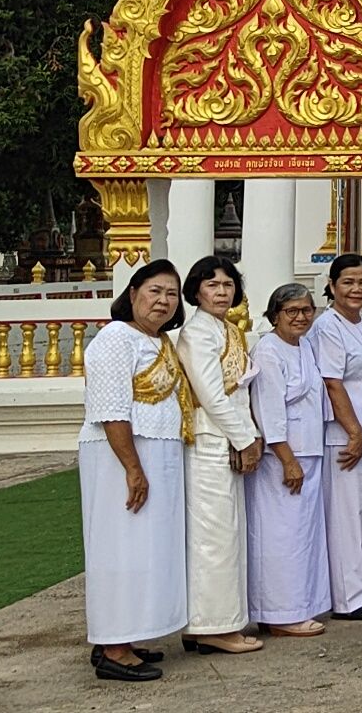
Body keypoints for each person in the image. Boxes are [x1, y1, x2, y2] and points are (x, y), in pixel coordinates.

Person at [80, 260, 188, 682]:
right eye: (154, 291)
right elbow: (110, 410)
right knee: (120, 549)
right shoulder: (114, 339)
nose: (162, 301)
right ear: (133, 293)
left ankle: (126, 634)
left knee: (144, 550)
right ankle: (113, 648)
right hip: (121, 458)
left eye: (171, 294)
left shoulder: (160, 341)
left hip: (154, 453)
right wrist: (133, 468)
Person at [173, 256, 262, 654]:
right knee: (213, 536)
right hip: (210, 441)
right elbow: (210, 395)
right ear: (196, 291)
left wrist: (246, 435)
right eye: (212, 285)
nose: (221, 292)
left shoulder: (226, 330)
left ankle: (219, 622)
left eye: (227, 285)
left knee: (227, 533)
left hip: (227, 438)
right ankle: (210, 625)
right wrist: (246, 438)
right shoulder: (197, 333)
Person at [305, 253, 362, 621]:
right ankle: (347, 598)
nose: (357, 289)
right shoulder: (327, 327)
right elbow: (332, 382)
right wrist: (353, 431)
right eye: (348, 283)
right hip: (345, 435)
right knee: (345, 516)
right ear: (332, 286)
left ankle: (361, 587)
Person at [246, 283, 329, 638]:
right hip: (282, 456)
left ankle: (298, 604)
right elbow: (269, 410)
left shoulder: (304, 346)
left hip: (310, 448)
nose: (300, 317)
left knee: (302, 535)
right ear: (275, 315)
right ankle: (279, 612)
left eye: (306, 310)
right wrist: (286, 459)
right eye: (291, 311)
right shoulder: (268, 351)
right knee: (280, 535)